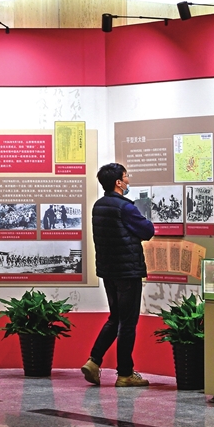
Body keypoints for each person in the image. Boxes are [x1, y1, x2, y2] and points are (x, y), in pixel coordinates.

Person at [82, 163, 154, 387]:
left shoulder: (99, 206)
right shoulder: (126, 207)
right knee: (128, 322)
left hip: (108, 270)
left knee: (115, 317)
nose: (128, 180)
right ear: (118, 183)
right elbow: (148, 231)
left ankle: (94, 361)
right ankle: (125, 374)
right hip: (128, 271)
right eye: (126, 177)